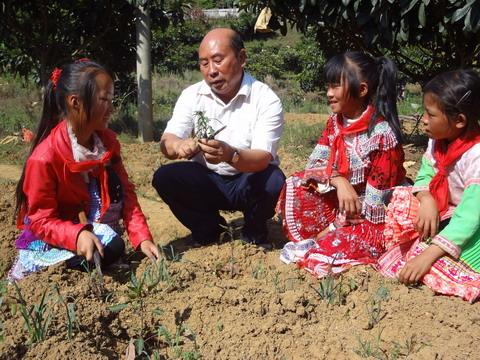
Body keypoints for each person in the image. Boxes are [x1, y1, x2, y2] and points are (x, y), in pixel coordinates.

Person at [9, 59, 159, 281]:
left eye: (111, 99)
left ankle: (92, 253)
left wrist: (141, 238)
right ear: (75, 102)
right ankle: (54, 267)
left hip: (89, 225)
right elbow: (41, 220)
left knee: (114, 191)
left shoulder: (107, 144)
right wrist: (76, 235)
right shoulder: (44, 158)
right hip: (55, 235)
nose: (112, 108)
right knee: (113, 246)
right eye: (104, 100)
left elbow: (127, 194)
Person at [277, 51, 406, 277]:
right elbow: (315, 163)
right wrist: (340, 182)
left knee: (328, 252)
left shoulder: (381, 134)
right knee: (295, 184)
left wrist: (340, 222)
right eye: (329, 86)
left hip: (371, 214)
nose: (329, 93)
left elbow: (379, 200)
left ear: (362, 90)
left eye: (336, 87)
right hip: (343, 200)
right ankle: (326, 234)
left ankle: (335, 238)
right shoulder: (334, 124)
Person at [152, 28, 285, 246]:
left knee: (273, 180)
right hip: (208, 179)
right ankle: (208, 228)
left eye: (218, 60)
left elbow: (262, 157)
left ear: (241, 58)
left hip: (247, 180)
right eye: (204, 63)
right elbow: (168, 141)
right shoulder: (191, 95)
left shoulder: (265, 99)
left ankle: (254, 230)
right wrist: (179, 145)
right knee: (166, 177)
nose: (211, 71)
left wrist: (230, 155)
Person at [378, 69, 480, 303]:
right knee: (402, 199)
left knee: (433, 264)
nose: (423, 119)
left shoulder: (476, 156)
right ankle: (425, 245)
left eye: (430, 114)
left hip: (471, 221)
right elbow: (425, 174)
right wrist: (427, 199)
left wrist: (429, 255)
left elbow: (470, 216)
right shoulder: (438, 140)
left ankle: (434, 252)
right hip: (447, 210)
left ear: (459, 121)